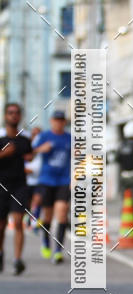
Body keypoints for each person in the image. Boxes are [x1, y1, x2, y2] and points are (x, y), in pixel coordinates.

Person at [35, 110, 71, 264]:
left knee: (62, 213)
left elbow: (79, 158)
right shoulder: (44, 137)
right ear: (51, 121)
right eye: (56, 120)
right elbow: (31, 152)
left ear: (64, 122)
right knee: (47, 216)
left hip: (64, 181)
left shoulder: (70, 138)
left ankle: (58, 250)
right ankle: (45, 242)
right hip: (46, 181)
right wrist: (40, 149)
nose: (58, 122)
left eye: (61, 120)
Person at [0, 103, 32, 275]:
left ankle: (18, 259)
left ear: (20, 117)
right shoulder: (0, 139)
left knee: (18, 221)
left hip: (20, 185)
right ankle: (1, 253)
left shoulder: (25, 141)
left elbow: (31, 157)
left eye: (17, 113)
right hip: (1, 186)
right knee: (1, 226)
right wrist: (3, 154)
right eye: (10, 112)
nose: (13, 115)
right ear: (5, 116)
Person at [25, 126, 43, 230]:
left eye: (37, 134)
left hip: (38, 180)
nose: (35, 136)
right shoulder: (26, 146)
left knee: (37, 201)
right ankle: (29, 219)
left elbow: (37, 168)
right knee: (27, 202)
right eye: (33, 134)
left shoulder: (41, 149)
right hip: (26, 181)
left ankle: (34, 220)